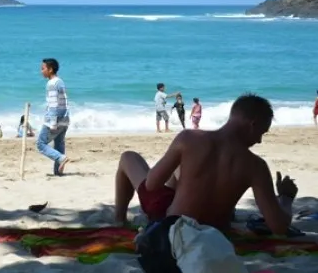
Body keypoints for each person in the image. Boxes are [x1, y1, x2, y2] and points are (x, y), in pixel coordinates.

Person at [114, 93, 297, 238]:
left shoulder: (189, 139)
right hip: (213, 234)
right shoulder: (256, 166)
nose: (259, 140)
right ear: (253, 124)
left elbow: (151, 185)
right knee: (180, 171)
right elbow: (279, 226)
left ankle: (119, 220)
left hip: (172, 226)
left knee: (128, 157)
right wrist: (286, 198)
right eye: (261, 133)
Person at [36, 58, 70, 176]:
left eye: (43, 68)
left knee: (41, 144)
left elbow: (53, 104)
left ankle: (60, 158)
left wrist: (53, 122)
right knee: (59, 143)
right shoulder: (60, 81)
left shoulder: (51, 83)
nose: (41, 71)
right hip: (64, 118)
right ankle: (58, 172)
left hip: (54, 118)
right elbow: (64, 101)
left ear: (50, 70)